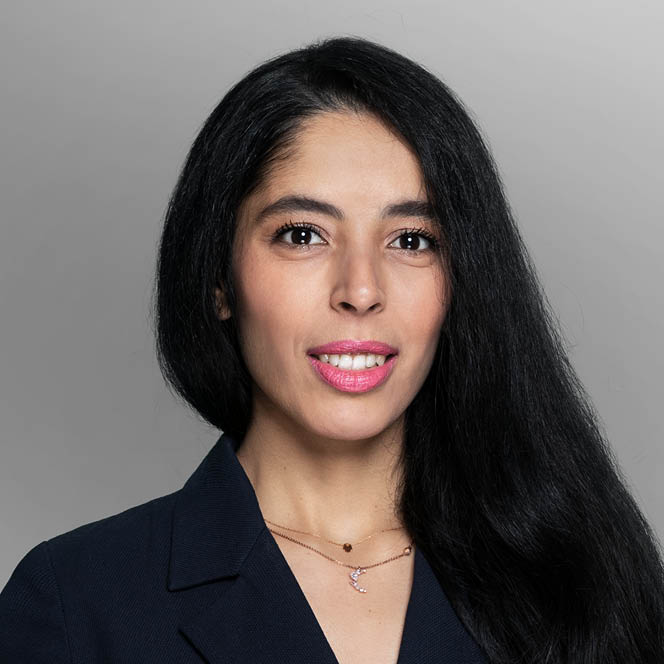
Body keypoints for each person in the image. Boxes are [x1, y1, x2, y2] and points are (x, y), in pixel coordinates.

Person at [1, 35, 663, 664]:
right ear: (218, 280)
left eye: (411, 240)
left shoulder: (583, 587)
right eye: (302, 235)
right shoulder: (74, 603)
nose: (361, 290)